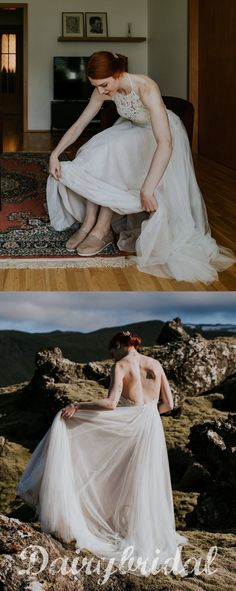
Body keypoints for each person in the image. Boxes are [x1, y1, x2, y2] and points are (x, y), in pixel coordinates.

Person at [47, 51, 235, 282]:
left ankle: (102, 229)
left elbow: (165, 142)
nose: (103, 91)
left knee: (117, 159)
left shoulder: (146, 87)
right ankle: (88, 223)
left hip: (160, 135)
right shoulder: (102, 89)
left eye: (105, 85)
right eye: (97, 86)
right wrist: (55, 154)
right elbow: (80, 124)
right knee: (95, 153)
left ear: (118, 73)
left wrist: (147, 189)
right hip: (133, 128)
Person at [17, 331, 187, 576]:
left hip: (130, 427)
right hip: (151, 426)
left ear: (118, 346)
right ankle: (143, 531)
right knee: (145, 480)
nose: (112, 357)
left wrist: (77, 405)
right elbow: (169, 405)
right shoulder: (155, 364)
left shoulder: (121, 365)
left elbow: (110, 404)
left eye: (112, 351)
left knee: (116, 476)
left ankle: (117, 527)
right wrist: (147, 415)